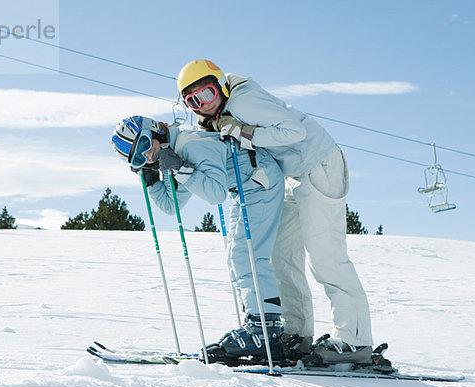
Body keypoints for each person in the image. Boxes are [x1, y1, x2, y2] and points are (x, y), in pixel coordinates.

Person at [177, 59, 374, 364]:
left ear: (220, 85)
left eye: (206, 93)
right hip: (293, 175)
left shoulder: (242, 100)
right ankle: (296, 334)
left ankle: (355, 340)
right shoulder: (222, 114)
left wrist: (245, 132)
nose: (201, 104)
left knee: (325, 257)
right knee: (283, 257)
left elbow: (292, 131)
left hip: (319, 164)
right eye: (192, 101)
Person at [111, 115, 285, 361]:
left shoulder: (191, 144)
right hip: (246, 189)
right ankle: (256, 325)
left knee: (248, 255)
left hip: (261, 182)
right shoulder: (174, 154)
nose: (148, 155)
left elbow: (215, 194)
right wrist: (151, 181)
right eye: (139, 158)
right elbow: (171, 206)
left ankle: (266, 330)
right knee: (237, 259)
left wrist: (180, 168)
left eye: (144, 145)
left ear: (155, 130)